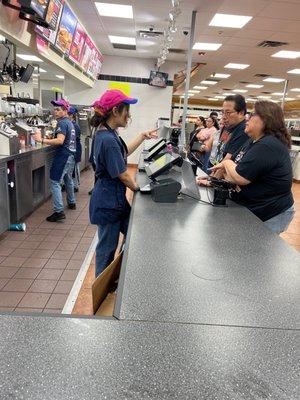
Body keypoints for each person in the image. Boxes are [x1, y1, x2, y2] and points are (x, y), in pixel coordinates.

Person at [89, 89, 157, 277]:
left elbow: (123, 152)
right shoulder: (108, 139)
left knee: (133, 233)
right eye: (126, 109)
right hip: (108, 202)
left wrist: (142, 136)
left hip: (113, 199)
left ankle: (120, 276)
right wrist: (142, 189)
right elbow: (123, 175)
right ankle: (100, 295)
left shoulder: (106, 134)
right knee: (106, 250)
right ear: (116, 111)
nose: (129, 115)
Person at [207, 101, 295, 234]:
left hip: (271, 212)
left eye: (252, 114)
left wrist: (227, 164)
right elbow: (233, 172)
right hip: (253, 207)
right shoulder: (252, 141)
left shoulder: (267, 145)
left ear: (266, 119)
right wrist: (216, 179)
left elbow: (239, 177)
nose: (247, 118)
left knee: (255, 251)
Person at [33, 99, 76, 222]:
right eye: (55, 109)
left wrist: (41, 140)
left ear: (65, 110)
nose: (55, 111)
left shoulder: (62, 123)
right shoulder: (69, 122)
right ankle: (72, 202)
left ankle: (58, 211)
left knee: (55, 181)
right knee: (68, 178)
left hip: (63, 155)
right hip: (71, 155)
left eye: (58, 109)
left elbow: (60, 141)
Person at [68, 107, 82, 192]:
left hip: (76, 149)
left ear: (72, 116)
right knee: (72, 169)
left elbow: (72, 139)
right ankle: (72, 185)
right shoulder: (71, 124)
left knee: (75, 168)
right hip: (73, 149)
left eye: (68, 114)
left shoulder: (74, 126)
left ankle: (76, 186)